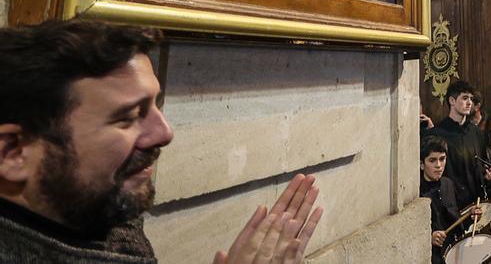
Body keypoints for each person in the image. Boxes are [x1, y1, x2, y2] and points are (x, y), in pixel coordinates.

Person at [0, 20, 323, 262]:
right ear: (12, 151)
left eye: (156, 105)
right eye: (127, 117)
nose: (165, 133)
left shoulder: (94, 211)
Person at [424, 80, 491, 204]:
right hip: (448, 205)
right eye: (465, 98)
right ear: (452, 101)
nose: (469, 102)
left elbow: (479, 168)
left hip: (476, 204)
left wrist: (488, 177)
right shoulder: (436, 134)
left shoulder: (476, 132)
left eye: (471, 98)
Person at [422, 136, 466, 264]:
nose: (439, 165)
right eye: (432, 160)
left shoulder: (448, 183)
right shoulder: (417, 193)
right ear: (421, 164)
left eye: (442, 159)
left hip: (453, 250)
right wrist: (429, 237)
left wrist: (471, 215)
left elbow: (457, 217)